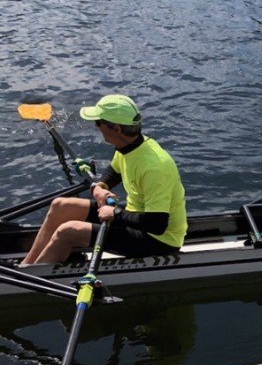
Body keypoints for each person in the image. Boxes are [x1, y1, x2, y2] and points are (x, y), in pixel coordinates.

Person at [21, 94, 187, 265]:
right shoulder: (130, 146)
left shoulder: (154, 167)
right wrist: (100, 186)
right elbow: (114, 171)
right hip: (136, 217)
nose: (96, 127)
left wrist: (115, 213)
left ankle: (27, 283)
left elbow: (157, 224)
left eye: (98, 123)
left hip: (158, 239)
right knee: (61, 206)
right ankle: (26, 266)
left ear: (115, 128)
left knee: (68, 231)